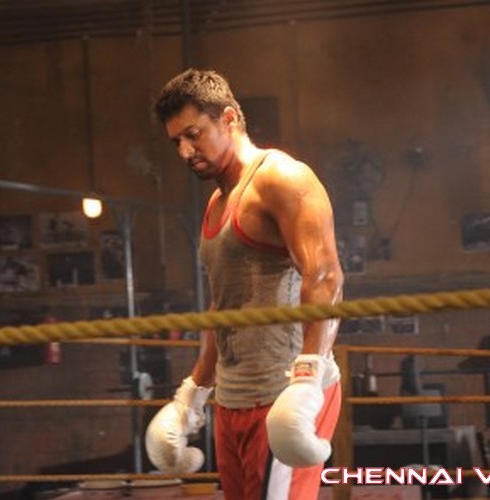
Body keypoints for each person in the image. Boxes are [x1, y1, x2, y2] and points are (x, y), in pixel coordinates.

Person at [145, 69, 344, 499]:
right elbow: (223, 308)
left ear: (229, 118)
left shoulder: (283, 178)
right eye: (176, 142)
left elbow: (325, 276)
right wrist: (192, 394)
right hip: (232, 399)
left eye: (193, 135)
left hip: (282, 393)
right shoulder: (218, 202)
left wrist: (307, 381)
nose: (185, 151)